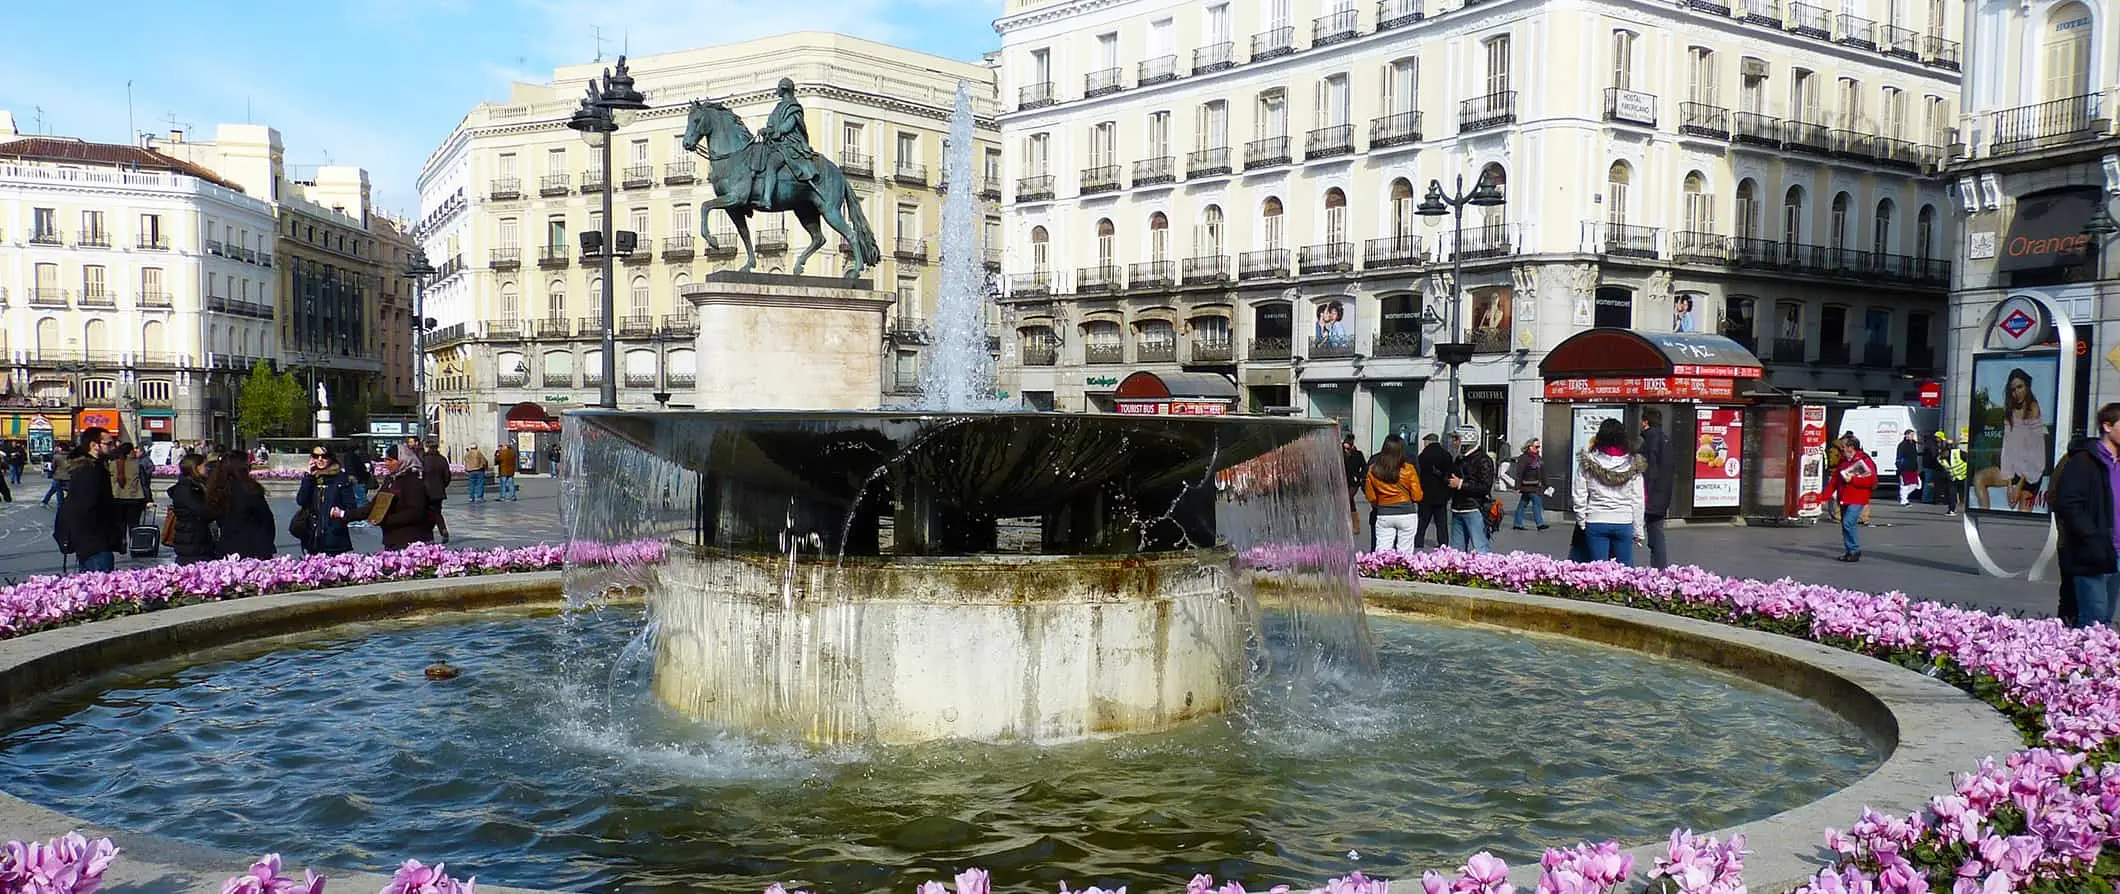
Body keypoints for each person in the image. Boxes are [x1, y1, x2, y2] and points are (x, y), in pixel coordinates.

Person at [2052, 403, 2120, 627]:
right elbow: (2068, 504)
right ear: (2107, 426)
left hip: (2116, 552)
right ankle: (2081, 661)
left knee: (2106, 618)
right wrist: (2091, 536)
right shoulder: (2083, 462)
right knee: (2094, 617)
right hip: (2090, 551)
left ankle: (2096, 661)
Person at [1572, 418, 1647, 563]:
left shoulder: (1588, 462)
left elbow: (1579, 493)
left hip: (1595, 520)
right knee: (1624, 573)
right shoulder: (1633, 464)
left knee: (1598, 572)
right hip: (1624, 521)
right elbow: (1638, 499)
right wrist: (1638, 530)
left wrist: (1582, 520)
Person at [52, 428, 119, 572]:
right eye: (108, 444)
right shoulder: (89, 471)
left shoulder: (94, 466)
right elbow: (84, 507)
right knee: (100, 586)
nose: (112, 447)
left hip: (92, 540)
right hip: (94, 542)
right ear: (94, 445)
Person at [358, 444, 435, 550]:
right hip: (392, 540)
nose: (386, 464)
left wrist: (385, 520)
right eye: (385, 460)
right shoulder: (390, 479)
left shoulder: (413, 480)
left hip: (411, 542)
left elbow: (415, 513)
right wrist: (344, 515)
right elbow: (375, 504)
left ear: (403, 460)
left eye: (390, 460)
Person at [205, 452, 276, 560]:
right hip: (252, 549)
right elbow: (266, 520)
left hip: (226, 547)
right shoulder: (249, 490)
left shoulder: (216, 489)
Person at [755, 77, 818, 199]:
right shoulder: (778, 106)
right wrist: (766, 130)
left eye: (778, 87)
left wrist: (773, 132)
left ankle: (767, 198)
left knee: (771, 164)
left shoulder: (793, 107)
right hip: (774, 142)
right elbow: (772, 124)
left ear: (784, 89)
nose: (776, 89)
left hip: (788, 143)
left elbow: (788, 126)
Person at [295, 445, 359, 556]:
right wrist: (309, 476)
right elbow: (301, 500)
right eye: (316, 456)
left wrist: (340, 513)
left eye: (324, 456)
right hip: (313, 537)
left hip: (334, 538)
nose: (320, 459)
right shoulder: (311, 478)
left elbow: (351, 506)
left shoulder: (341, 478)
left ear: (331, 457)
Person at [1364, 435, 1423, 551]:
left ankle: (1381, 568)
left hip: (1384, 513)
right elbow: (1417, 496)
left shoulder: (1373, 470)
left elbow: (1370, 496)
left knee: (1382, 550)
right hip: (1406, 513)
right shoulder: (1409, 469)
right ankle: (1403, 568)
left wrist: (1381, 502)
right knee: (1405, 552)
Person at [1445, 426, 1495, 553]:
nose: (1454, 442)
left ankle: (1484, 571)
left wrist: (1460, 484)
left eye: (1456, 438)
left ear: (1466, 440)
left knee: (1480, 547)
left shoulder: (1483, 460)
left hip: (1474, 509)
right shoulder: (1459, 459)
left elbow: (1484, 486)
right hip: (1457, 508)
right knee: (1456, 550)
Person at [1832, 433, 1879, 562]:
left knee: (1848, 522)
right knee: (1846, 525)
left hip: (1858, 497)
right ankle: (1849, 551)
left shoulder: (1864, 460)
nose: (1841, 450)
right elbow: (1835, 480)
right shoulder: (1843, 460)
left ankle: (1854, 549)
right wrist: (1824, 495)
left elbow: (1872, 480)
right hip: (1844, 496)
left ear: (1851, 447)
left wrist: (1853, 480)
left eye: (1843, 447)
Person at [165, 453, 217, 565]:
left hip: (195, 538)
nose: (207, 469)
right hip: (191, 539)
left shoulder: (196, 485)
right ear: (197, 467)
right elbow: (202, 511)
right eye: (204, 466)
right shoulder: (187, 489)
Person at [1640, 409, 1675, 568]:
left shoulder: (1650, 442)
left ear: (1646, 422)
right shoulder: (1666, 440)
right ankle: (1660, 569)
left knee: (1652, 536)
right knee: (1656, 534)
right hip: (1662, 495)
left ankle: (1659, 570)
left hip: (1650, 495)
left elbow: (1648, 471)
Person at [1414, 433, 1454, 548]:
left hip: (1426, 494)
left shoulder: (1423, 455)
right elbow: (1451, 472)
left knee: (1422, 520)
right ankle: (1443, 543)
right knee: (1441, 522)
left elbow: (1418, 473)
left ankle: (1418, 541)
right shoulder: (1446, 454)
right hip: (1441, 494)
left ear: (1428, 442)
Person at [109, 443, 148, 534]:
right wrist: (148, 499)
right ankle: (133, 545)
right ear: (130, 451)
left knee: (119, 526)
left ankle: (121, 545)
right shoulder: (137, 464)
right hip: (135, 498)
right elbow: (144, 483)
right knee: (134, 525)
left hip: (117, 497)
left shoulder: (113, 464)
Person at [1511, 439, 1548, 530]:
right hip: (1528, 484)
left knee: (1523, 504)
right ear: (1530, 447)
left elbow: (1543, 472)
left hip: (1535, 484)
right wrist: (1517, 486)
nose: (1538, 448)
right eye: (1536, 446)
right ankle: (1540, 523)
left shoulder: (1538, 457)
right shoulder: (1524, 458)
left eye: (1539, 446)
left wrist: (1547, 484)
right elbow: (1519, 472)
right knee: (1537, 502)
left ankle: (1517, 523)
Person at [421, 441, 454, 543]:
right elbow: (447, 476)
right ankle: (443, 530)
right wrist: (442, 486)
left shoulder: (424, 460)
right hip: (439, 491)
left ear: (427, 448)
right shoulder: (442, 459)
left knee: (426, 514)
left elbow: (420, 475)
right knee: (437, 513)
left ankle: (429, 536)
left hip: (425, 491)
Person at [1341, 433, 1368, 537]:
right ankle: (1353, 525)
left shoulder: (1358, 454)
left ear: (1352, 446)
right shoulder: (1340, 453)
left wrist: (1359, 476)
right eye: (1344, 448)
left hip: (1354, 482)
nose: (1346, 450)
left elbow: (1365, 467)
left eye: (1348, 448)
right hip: (1343, 481)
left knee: (1348, 499)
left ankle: (1353, 525)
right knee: (1350, 502)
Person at [1942, 432, 1967, 517]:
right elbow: (1944, 469)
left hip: (1963, 476)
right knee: (1951, 493)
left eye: (1946, 452)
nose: (1945, 454)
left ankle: (1967, 507)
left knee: (1964, 492)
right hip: (1952, 478)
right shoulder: (1941, 458)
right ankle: (1951, 509)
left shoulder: (1957, 453)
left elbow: (1968, 458)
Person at [1896, 429, 1922, 506]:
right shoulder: (1902, 445)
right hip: (1905, 468)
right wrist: (1900, 466)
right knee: (1905, 485)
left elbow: (1915, 454)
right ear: (1906, 435)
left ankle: (1902, 496)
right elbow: (1899, 456)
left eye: (1913, 435)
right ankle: (1904, 500)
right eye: (1911, 435)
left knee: (1917, 484)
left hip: (1914, 467)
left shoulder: (1913, 444)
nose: (1912, 436)